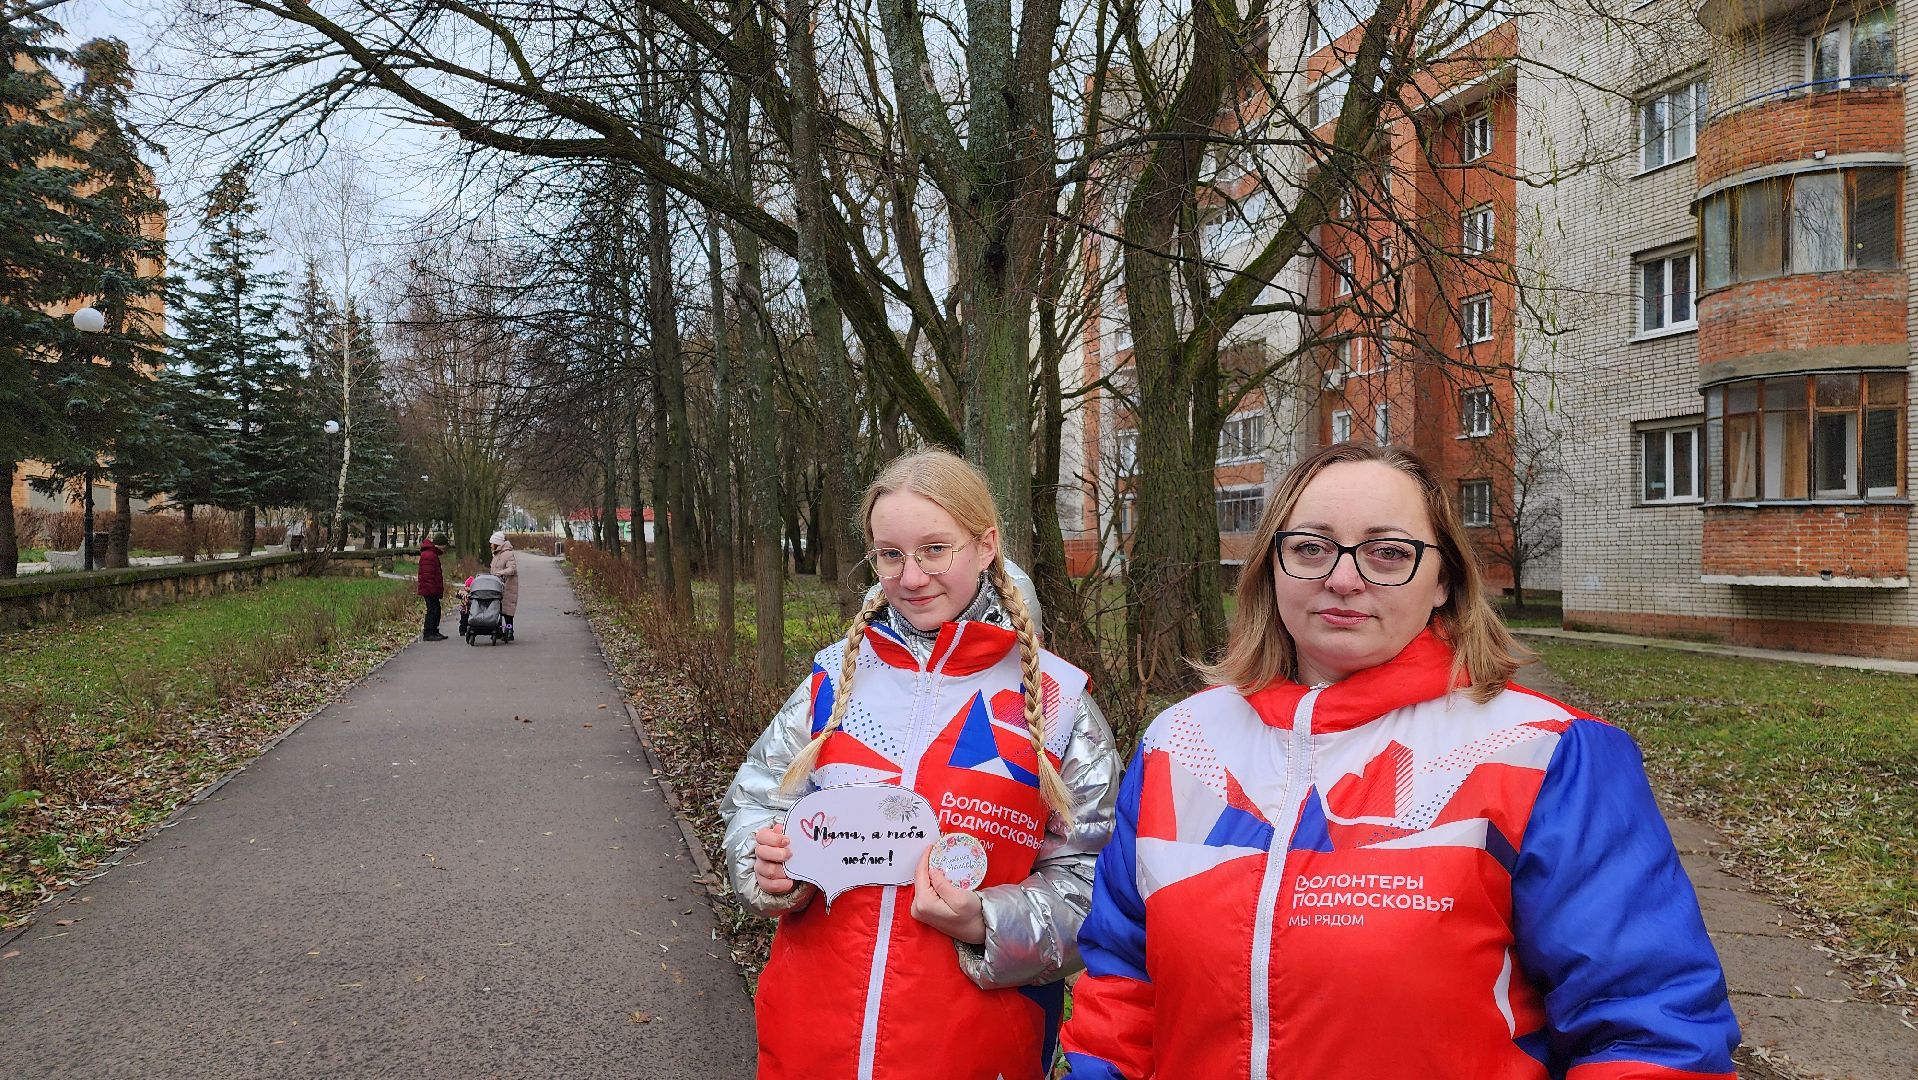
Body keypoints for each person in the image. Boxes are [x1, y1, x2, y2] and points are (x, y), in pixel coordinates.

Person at [1060, 443, 1740, 1080]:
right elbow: (1122, 984)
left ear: (1443, 579)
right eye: (1310, 548)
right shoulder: (1180, 742)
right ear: (1272, 566)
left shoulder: (1546, 751)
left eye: (1387, 554)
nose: (1344, 578)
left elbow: (1650, 1030)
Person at [720, 449, 1122, 1080]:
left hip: (972, 1050)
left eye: (936, 549)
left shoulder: (1058, 703)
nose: (911, 577)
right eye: (889, 555)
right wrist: (764, 864)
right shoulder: (833, 683)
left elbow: (1095, 881)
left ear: (985, 545)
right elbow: (756, 803)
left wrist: (985, 921)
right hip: (812, 1040)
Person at [488, 531, 519, 637]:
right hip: (497, 585)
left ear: (497, 543)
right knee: (497, 608)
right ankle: (499, 630)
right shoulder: (496, 554)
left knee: (507, 610)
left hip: (508, 585)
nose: (490, 545)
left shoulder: (508, 554)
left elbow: (512, 569)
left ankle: (510, 630)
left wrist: (502, 572)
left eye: (492, 543)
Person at [417, 534, 448, 641]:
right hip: (429, 588)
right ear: (440, 545)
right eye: (444, 547)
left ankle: (433, 631)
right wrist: (433, 590)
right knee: (433, 610)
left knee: (436, 609)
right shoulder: (429, 555)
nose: (445, 550)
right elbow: (428, 575)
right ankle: (429, 632)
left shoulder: (431, 554)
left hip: (430, 587)